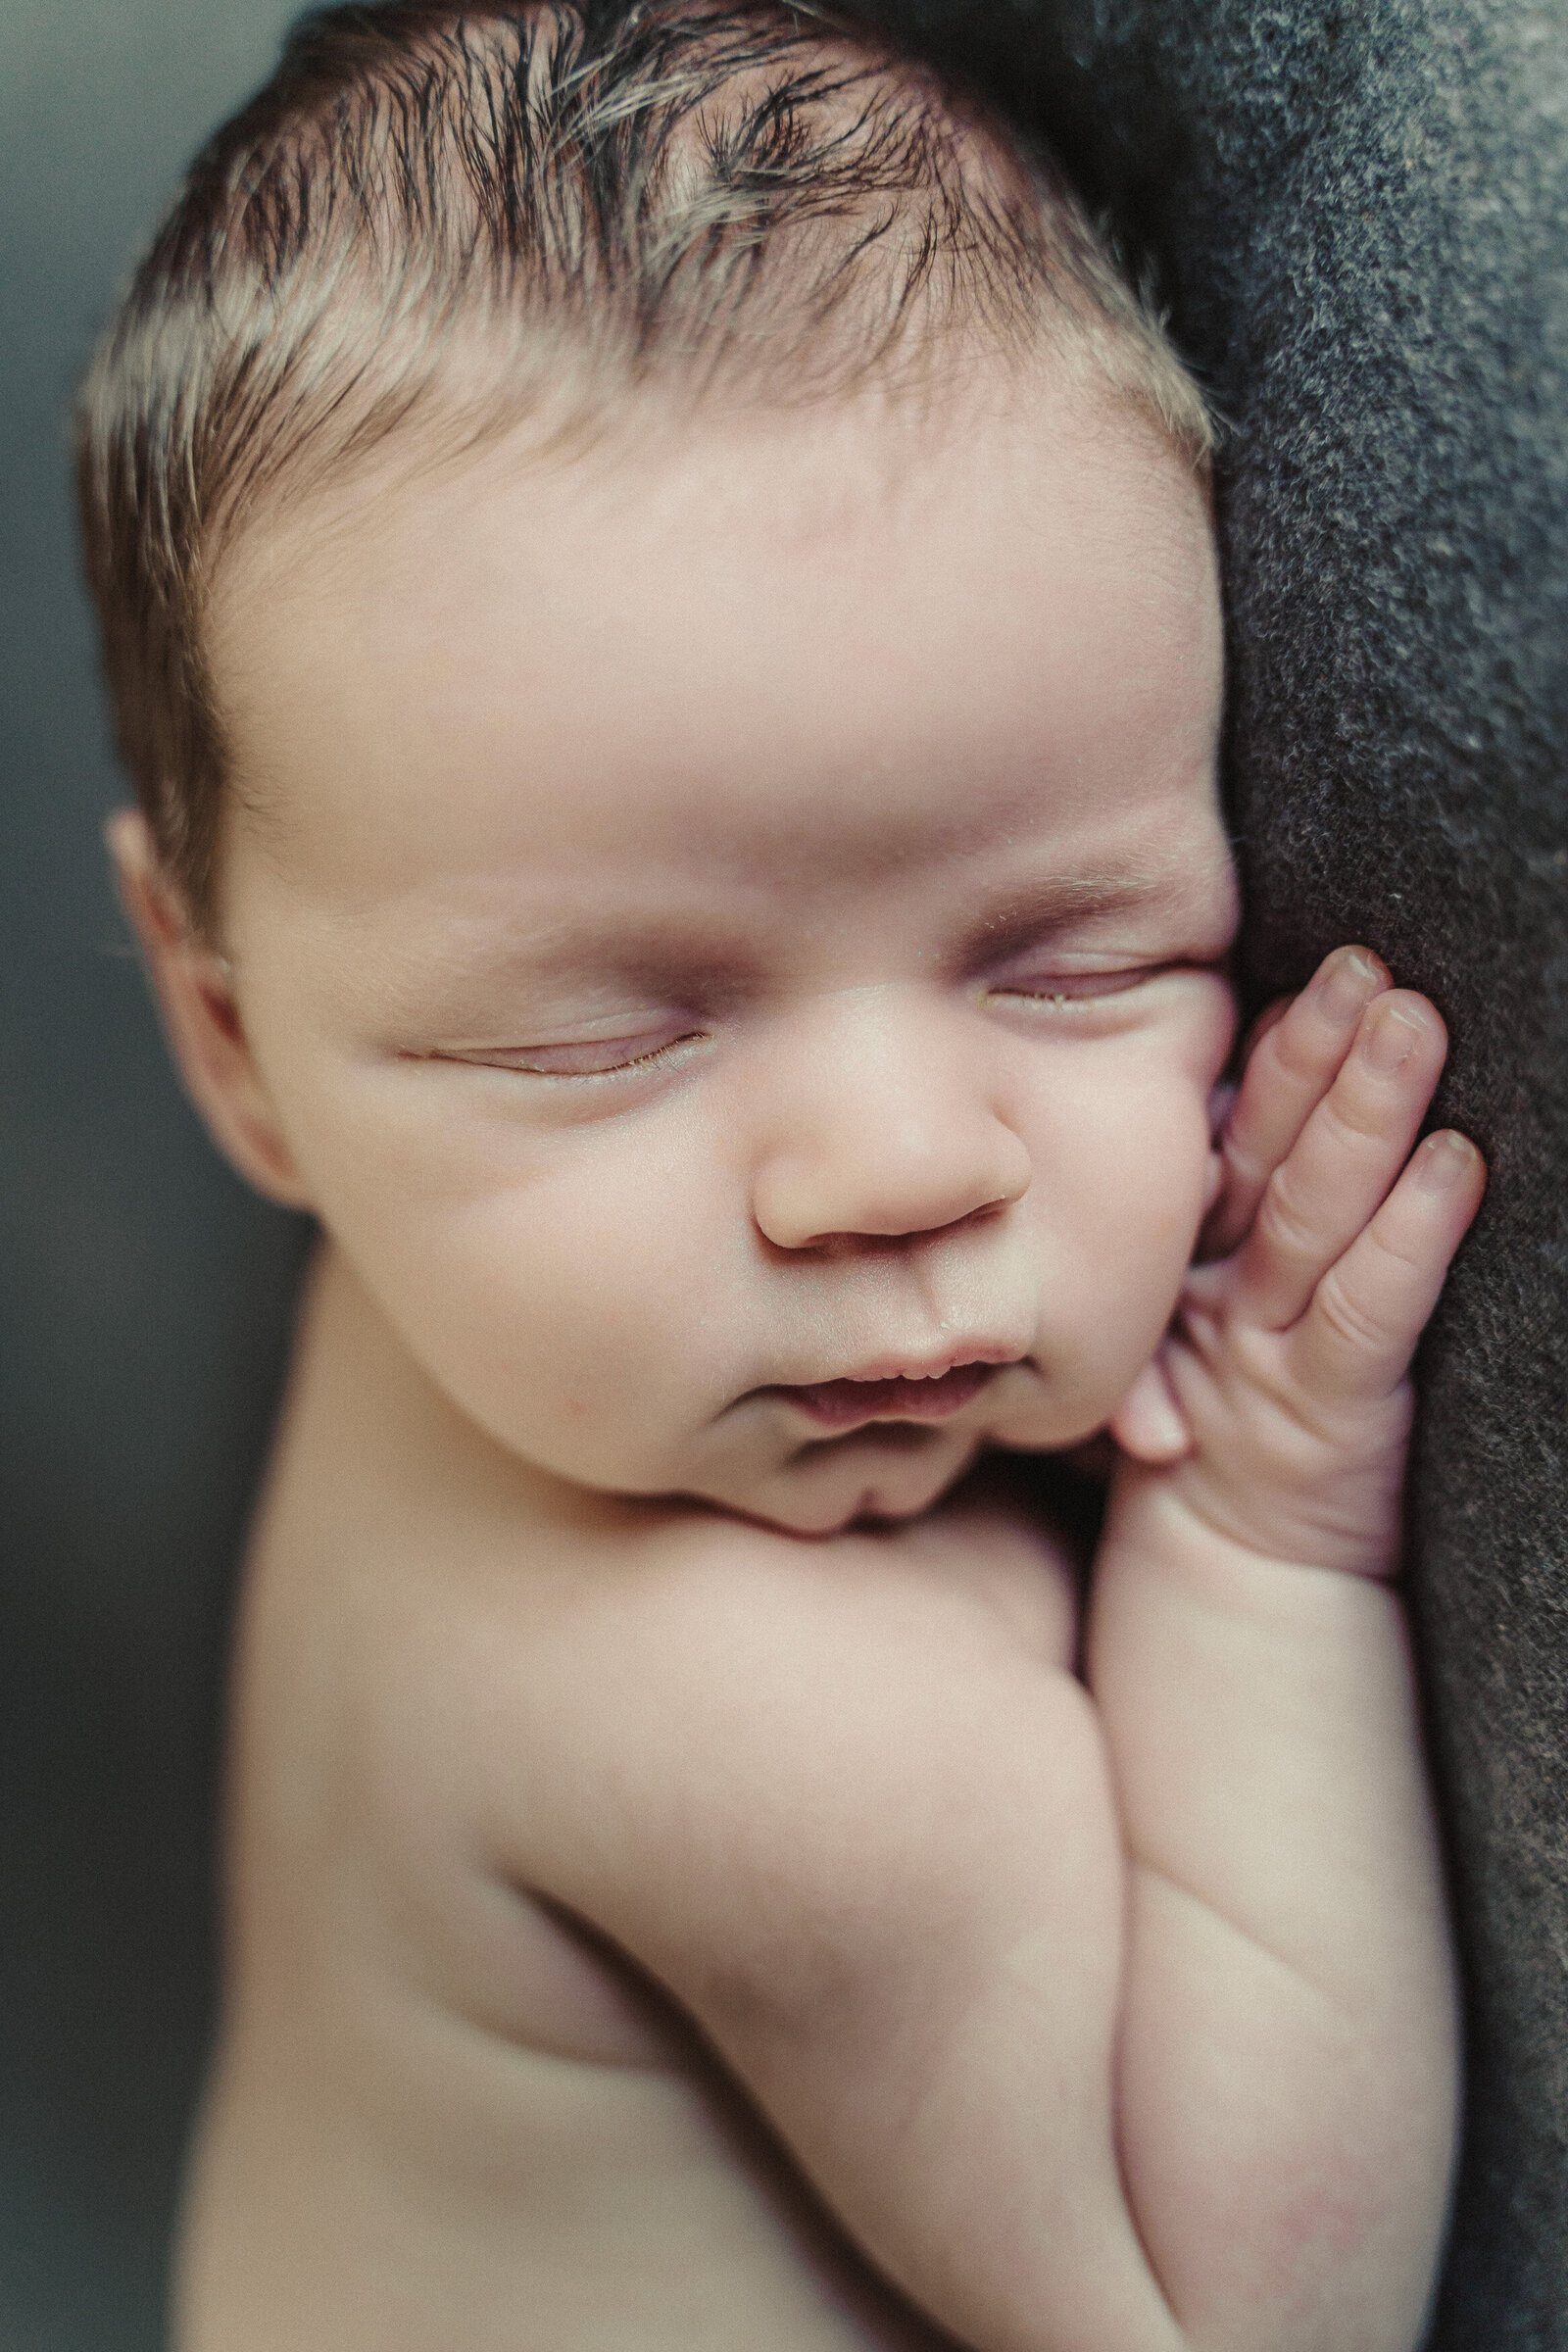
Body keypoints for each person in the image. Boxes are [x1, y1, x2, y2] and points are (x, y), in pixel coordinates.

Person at [76, 3, 1487, 2344]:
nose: (894, 1169)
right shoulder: (777, 1743)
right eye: (611, 1032)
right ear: (232, 1041)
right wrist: (1250, 1542)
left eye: (1068, 960)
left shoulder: (457, 1275)